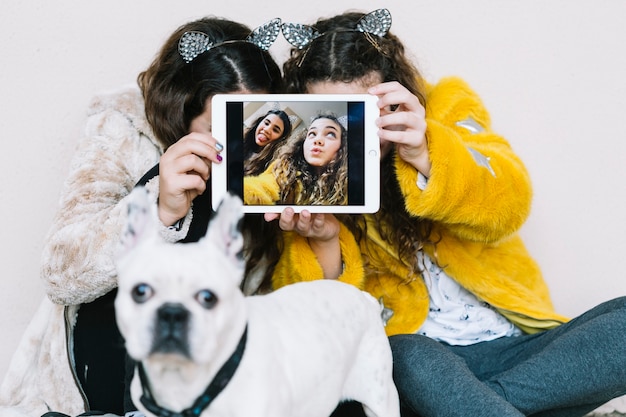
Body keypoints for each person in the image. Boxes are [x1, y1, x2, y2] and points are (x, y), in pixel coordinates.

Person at [271, 8, 626, 417]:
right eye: (332, 115)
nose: (351, 129)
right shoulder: (306, 171)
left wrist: (425, 153)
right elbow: (317, 322)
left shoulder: (448, 109)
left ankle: (479, 406)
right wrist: (323, 240)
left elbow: (511, 203)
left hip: (517, 348)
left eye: (363, 112)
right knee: (405, 355)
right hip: (416, 360)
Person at [0, 16, 283, 417]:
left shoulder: (273, 167)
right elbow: (59, 274)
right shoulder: (123, 129)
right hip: (101, 368)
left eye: (248, 118)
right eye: (219, 125)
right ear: (183, 108)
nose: (235, 138)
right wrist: (160, 209)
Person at [244, 113, 348, 206]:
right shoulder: (283, 170)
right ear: (303, 142)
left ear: (343, 147)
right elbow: (264, 187)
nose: (318, 140)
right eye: (312, 134)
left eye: (330, 134)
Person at [243, 108, 293, 176]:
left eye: (275, 130)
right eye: (266, 123)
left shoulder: (270, 168)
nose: (267, 130)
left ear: (280, 139)